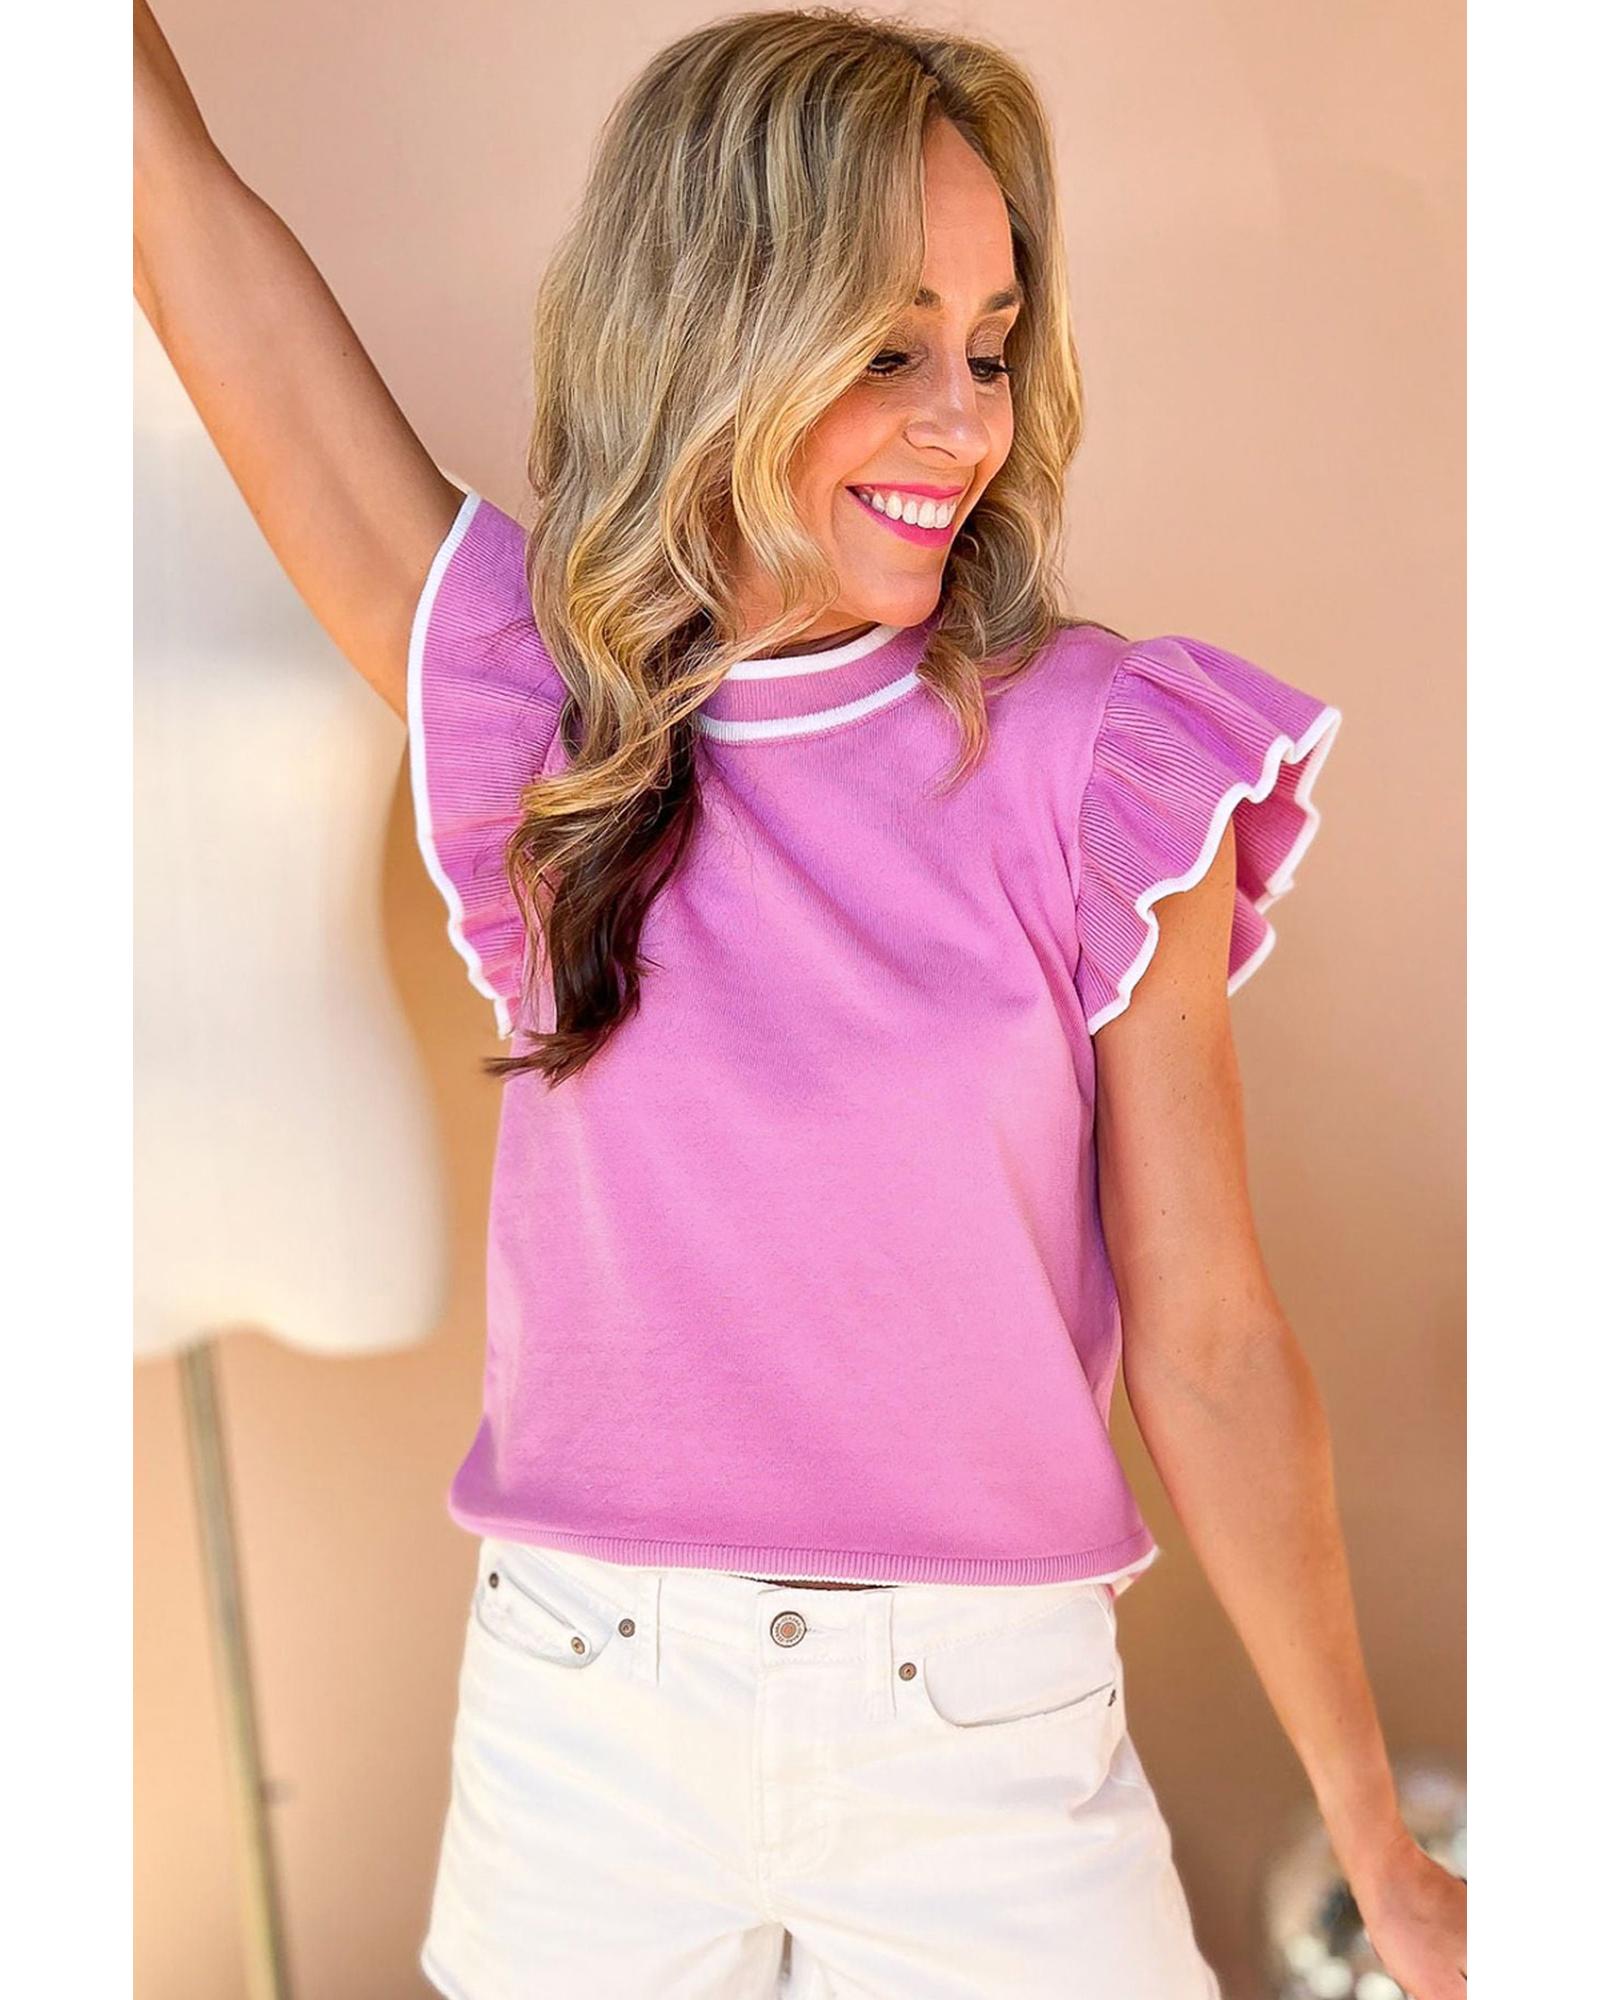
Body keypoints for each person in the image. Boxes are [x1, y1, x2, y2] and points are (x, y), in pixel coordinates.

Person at [133, 5, 1467, 1995]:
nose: (964, 423)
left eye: (990, 348)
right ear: (722, 333)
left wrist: (1380, 1844)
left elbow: (1206, 1338)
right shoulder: (542, 718)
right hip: (585, 1729)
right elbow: (181, 226)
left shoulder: (1102, 756)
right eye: (886, 349)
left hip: (980, 1746)